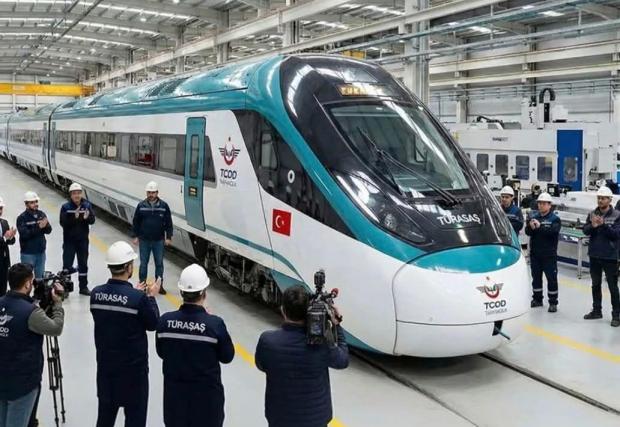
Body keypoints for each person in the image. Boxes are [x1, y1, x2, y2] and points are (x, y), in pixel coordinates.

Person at [255, 285, 349, 427]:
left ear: (283, 310)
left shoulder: (267, 341)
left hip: (280, 419)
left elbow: (261, 365)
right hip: (315, 421)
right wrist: (337, 325)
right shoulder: (321, 344)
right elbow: (343, 360)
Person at [90, 241, 160, 427]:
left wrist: (132, 293)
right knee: (135, 419)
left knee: (104, 419)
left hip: (106, 370)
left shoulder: (96, 294)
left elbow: (115, 308)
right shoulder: (138, 298)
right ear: (129, 267)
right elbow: (153, 323)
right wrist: (150, 297)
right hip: (133, 374)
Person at [156, 264, 234, 427]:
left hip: (175, 403)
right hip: (207, 405)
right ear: (204, 292)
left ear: (181, 292)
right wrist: (210, 321)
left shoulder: (165, 322)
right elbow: (227, 357)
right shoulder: (214, 324)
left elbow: (161, 352)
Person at [0, 263, 64, 427]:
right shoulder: (31, 313)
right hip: (22, 384)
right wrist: (57, 304)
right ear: (28, 283)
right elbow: (55, 328)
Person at [582, 186, 620, 326]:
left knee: (612, 287)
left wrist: (603, 225)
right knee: (595, 284)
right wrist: (592, 226)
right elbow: (585, 231)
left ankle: (616, 315)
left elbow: (616, 235)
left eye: (603, 198)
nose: (600, 200)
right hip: (595, 255)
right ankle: (597, 311)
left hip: (610, 256)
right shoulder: (592, 213)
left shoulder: (617, 215)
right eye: (599, 198)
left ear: (610, 200)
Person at [132, 181, 173, 295]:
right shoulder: (141, 206)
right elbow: (136, 222)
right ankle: (142, 285)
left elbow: (168, 222)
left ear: (157, 193)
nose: (151, 195)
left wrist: (169, 237)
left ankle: (159, 286)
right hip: (144, 240)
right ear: (146, 193)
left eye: (153, 192)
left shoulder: (164, 206)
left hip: (158, 240)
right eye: (149, 192)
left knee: (159, 263)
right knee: (143, 263)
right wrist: (135, 236)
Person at [525, 192, 561, 312]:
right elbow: (528, 232)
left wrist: (540, 227)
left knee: (551, 279)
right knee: (536, 278)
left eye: (544, 203)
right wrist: (530, 227)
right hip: (535, 254)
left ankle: (553, 302)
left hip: (549, 255)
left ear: (549, 205)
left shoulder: (555, 219)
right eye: (540, 203)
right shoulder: (534, 217)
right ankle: (537, 299)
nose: (541, 205)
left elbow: (553, 232)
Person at [59, 183, 96, 296]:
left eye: (79, 193)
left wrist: (87, 218)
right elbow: (63, 223)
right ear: (71, 195)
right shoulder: (66, 207)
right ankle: (66, 289)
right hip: (69, 241)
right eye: (74, 193)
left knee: (83, 264)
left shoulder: (87, 205)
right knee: (67, 266)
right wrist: (74, 218)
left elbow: (92, 220)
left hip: (82, 241)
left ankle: (83, 287)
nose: (77, 195)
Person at [16, 192, 51, 280]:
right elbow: (24, 235)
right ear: (26, 204)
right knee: (26, 279)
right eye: (32, 202)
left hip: (41, 253)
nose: (35, 204)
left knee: (40, 279)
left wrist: (46, 225)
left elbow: (49, 231)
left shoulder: (41, 214)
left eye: (36, 202)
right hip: (28, 254)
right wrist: (38, 227)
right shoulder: (22, 218)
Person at [0, 197, 16, 296]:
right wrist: (5, 238)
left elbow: (11, 242)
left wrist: (11, 237)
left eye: (1, 208)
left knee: (3, 287)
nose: (0, 211)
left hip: (4, 262)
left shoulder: (4, 222)